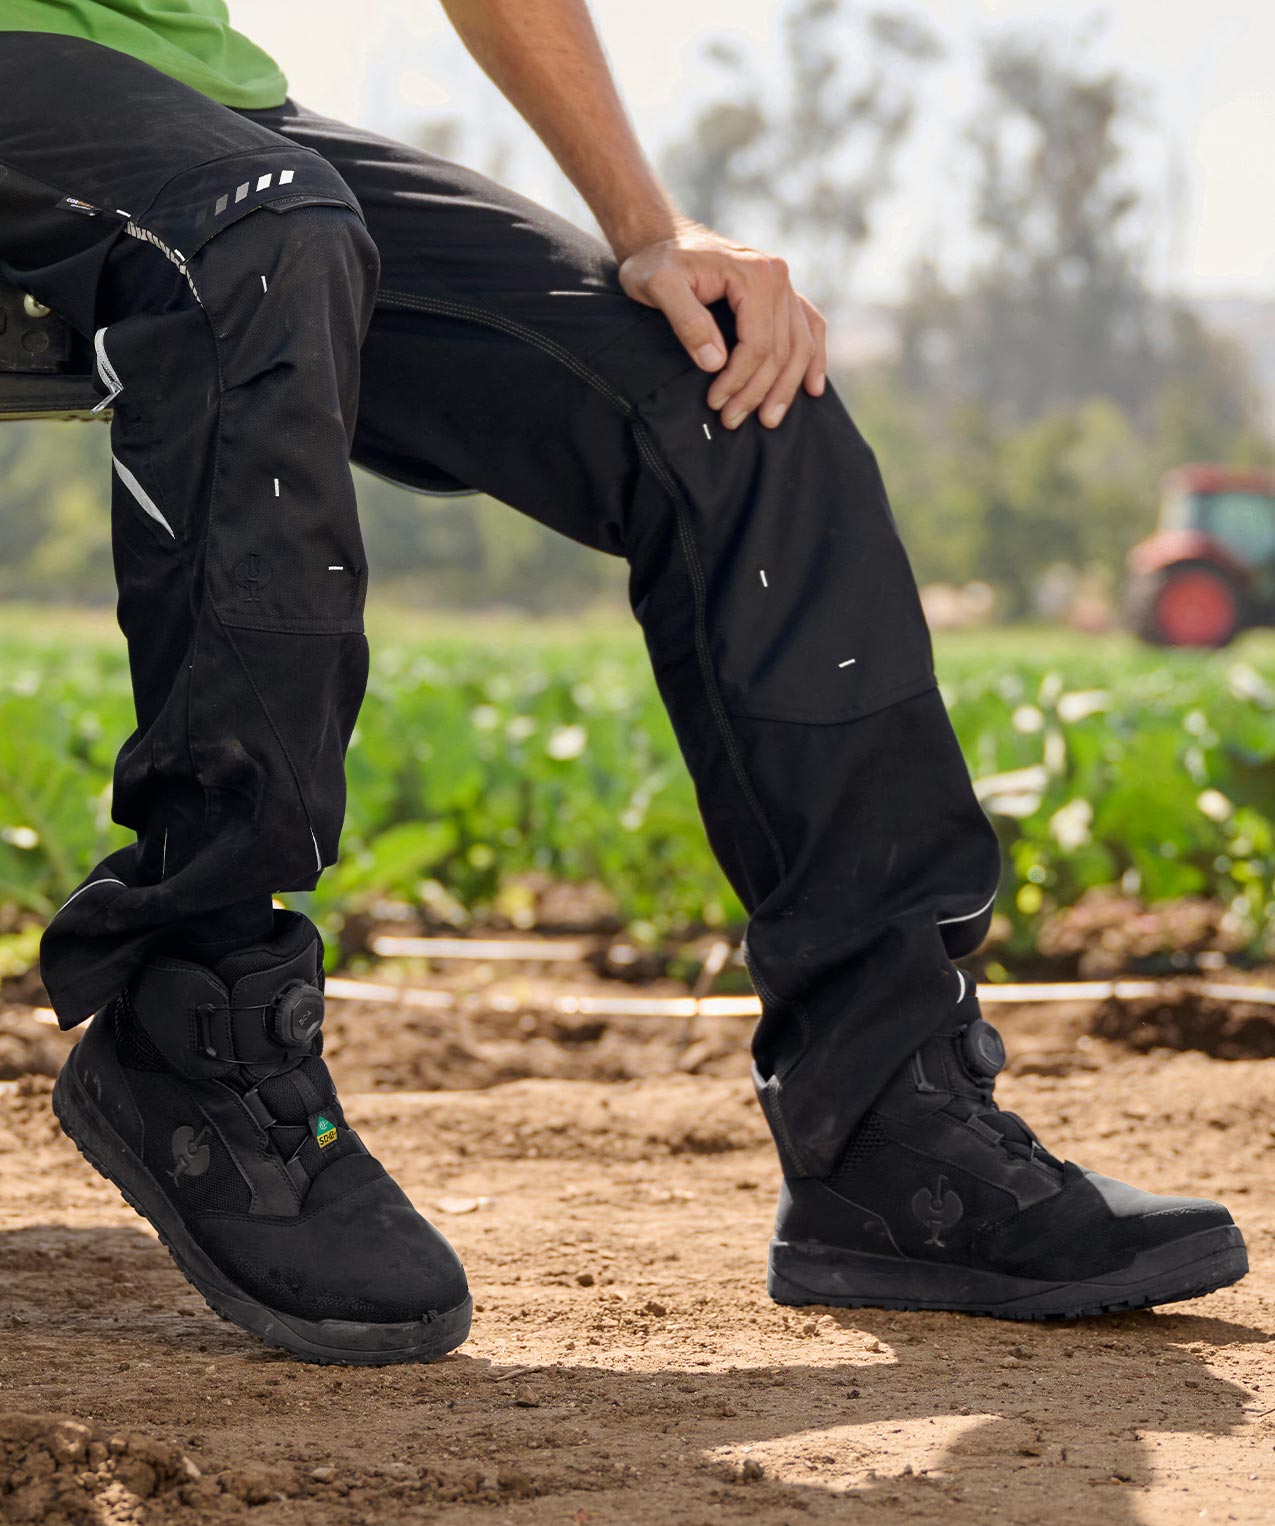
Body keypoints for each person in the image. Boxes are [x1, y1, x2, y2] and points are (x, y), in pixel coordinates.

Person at [0, 1, 1247, 1365]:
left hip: (198, 107)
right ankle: (204, 1014)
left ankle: (888, 1111)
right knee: (263, 229)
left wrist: (650, 224)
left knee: (726, 378)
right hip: (142, 143)